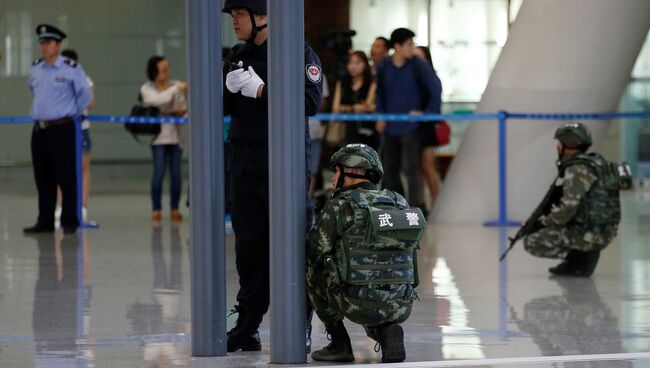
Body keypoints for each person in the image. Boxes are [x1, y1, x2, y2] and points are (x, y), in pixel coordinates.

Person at [221, 0, 323, 352]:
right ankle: (247, 325)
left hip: (284, 165)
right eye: (232, 16)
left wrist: (263, 91)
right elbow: (219, 107)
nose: (234, 22)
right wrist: (227, 89)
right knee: (248, 248)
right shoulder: (236, 55)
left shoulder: (297, 53)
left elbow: (310, 103)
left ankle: (299, 327)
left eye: (239, 15)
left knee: (293, 246)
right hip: (245, 166)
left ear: (262, 16)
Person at [307, 144, 424, 363]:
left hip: (358, 304)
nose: (334, 179)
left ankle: (339, 342)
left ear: (353, 171)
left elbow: (314, 250)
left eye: (337, 171)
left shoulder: (340, 206)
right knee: (373, 276)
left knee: (313, 268)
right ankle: (386, 331)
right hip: (401, 303)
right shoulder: (399, 202)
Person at [524, 123, 621, 277]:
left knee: (531, 242)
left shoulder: (577, 169)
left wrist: (543, 223)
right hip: (605, 231)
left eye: (560, 142)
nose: (557, 145)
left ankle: (581, 259)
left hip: (589, 235)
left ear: (568, 144)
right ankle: (581, 258)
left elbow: (568, 207)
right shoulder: (597, 162)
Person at [24, 24, 91, 234]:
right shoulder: (36, 68)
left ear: (58, 44)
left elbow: (84, 97)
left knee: (66, 176)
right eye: (41, 43)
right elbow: (32, 91)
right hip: (39, 131)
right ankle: (44, 221)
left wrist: (67, 112)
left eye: (48, 42)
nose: (44, 47)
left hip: (62, 129)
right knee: (43, 178)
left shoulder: (71, 68)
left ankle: (69, 220)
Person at [375, 28, 442, 210]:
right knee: (389, 168)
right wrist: (380, 115)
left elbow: (435, 88)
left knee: (411, 169)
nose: (411, 49)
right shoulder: (384, 66)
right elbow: (379, 93)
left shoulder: (418, 65)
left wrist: (426, 113)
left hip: (410, 127)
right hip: (390, 126)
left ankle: (414, 209)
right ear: (397, 46)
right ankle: (394, 206)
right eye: (408, 45)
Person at [140, 55, 188, 223]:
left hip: (176, 137)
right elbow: (155, 101)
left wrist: (174, 103)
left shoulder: (175, 85)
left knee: (176, 174)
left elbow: (182, 107)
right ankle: (156, 208)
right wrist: (174, 93)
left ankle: (175, 208)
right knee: (158, 172)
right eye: (163, 70)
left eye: (168, 69)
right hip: (158, 138)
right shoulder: (148, 88)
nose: (167, 73)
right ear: (154, 72)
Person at [57, 49, 95, 222]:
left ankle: (82, 205)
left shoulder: (84, 78)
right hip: (61, 127)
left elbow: (90, 102)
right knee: (60, 168)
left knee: (83, 167)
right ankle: (61, 205)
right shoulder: (55, 79)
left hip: (81, 127)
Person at [413, 46, 443, 210]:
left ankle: (437, 204)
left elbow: (435, 105)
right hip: (413, 128)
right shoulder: (411, 79)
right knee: (416, 168)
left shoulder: (432, 79)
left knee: (428, 166)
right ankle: (420, 203)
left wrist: (424, 114)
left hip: (427, 128)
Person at [332, 51, 379, 150]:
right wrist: (354, 108)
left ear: (365, 65)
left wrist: (345, 108)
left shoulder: (371, 83)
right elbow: (335, 109)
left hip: (367, 132)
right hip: (346, 131)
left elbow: (367, 106)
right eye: (350, 63)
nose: (353, 66)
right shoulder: (342, 83)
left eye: (357, 63)